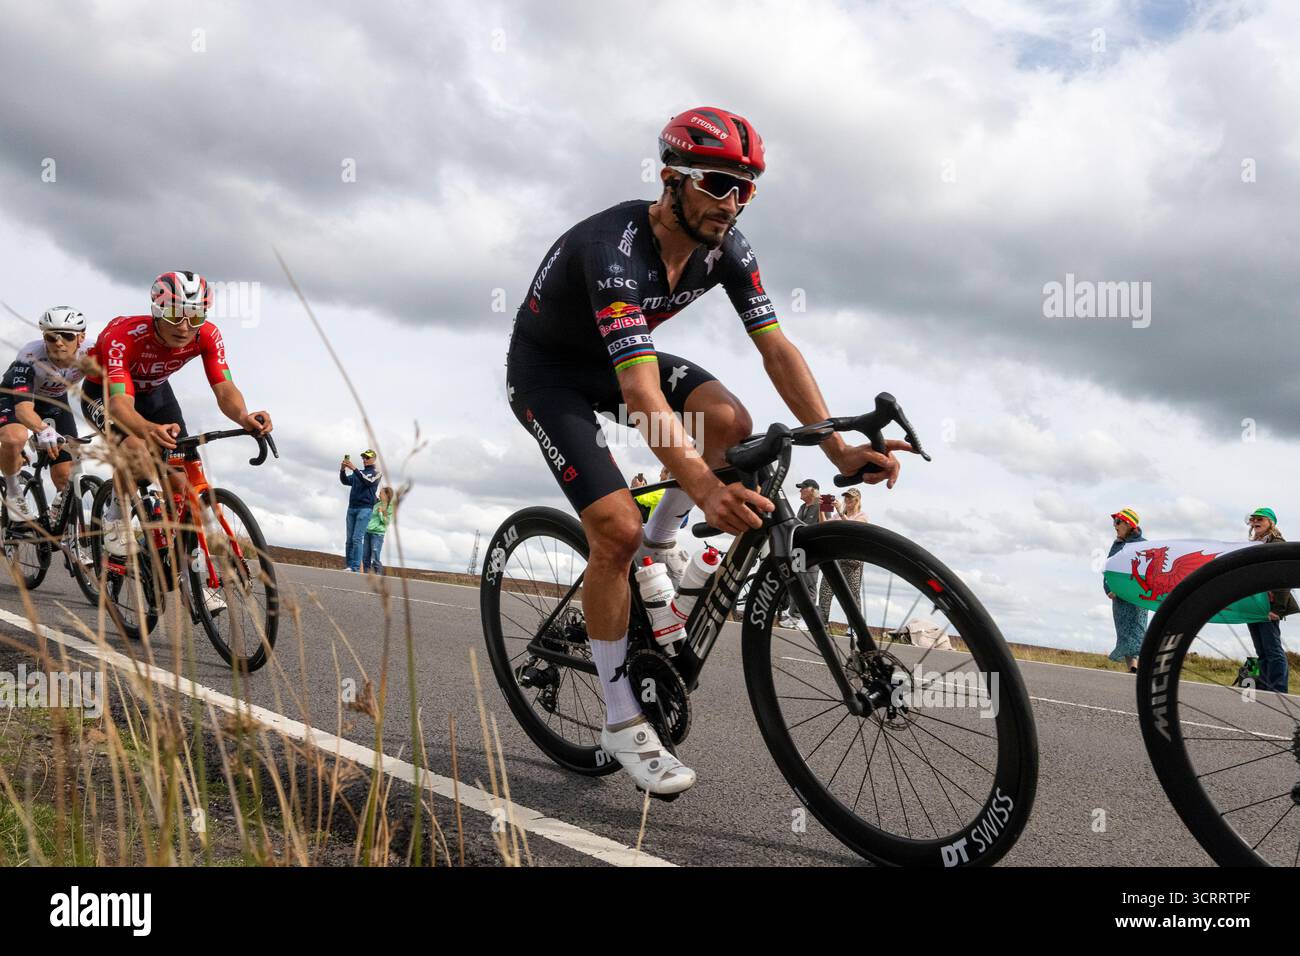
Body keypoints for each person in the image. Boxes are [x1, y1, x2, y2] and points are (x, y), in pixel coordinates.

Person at [506, 106, 913, 797]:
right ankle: (620, 720)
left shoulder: (729, 250)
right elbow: (640, 395)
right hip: (551, 375)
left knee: (729, 420)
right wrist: (701, 487)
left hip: (616, 359)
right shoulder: (616, 251)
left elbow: (776, 349)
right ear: (672, 180)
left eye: (747, 187)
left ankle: (661, 553)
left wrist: (840, 451)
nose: (734, 202)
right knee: (613, 530)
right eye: (720, 184)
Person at [81, 272, 272, 572]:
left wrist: (244, 416)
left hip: (155, 391)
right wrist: (146, 429)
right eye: (175, 314)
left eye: (195, 316)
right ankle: (116, 514)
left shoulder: (207, 334)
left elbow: (224, 388)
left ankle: (184, 570)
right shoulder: (122, 336)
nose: (185, 327)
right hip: (106, 392)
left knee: (181, 484)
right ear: (157, 310)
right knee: (136, 448)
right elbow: (120, 404)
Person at [0, 307, 90, 522]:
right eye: (51, 337)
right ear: (44, 337)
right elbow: (23, 410)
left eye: (67, 336)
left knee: (65, 476)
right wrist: (41, 428)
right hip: (16, 398)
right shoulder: (29, 356)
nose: (59, 342)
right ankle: (14, 493)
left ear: (81, 337)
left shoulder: (93, 351)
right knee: (14, 438)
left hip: (54, 401)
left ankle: (64, 527)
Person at [1244, 507, 1295, 693]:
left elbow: (1283, 577)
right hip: (1254, 604)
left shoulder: (1277, 543)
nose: (1255, 522)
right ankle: (1265, 687)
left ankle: (1279, 689)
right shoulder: (1252, 545)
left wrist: (1279, 609)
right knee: (1261, 651)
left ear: (1270, 523)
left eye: (1260, 519)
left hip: (1270, 605)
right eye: (1253, 519)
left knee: (1273, 649)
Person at [816, 488, 868, 627]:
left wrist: (840, 512)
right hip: (835, 557)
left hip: (852, 560)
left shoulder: (861, 516)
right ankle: (822, 622)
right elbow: (823, 525)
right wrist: (820, 509)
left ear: (857, 500)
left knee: (852, 595)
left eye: (851, 498)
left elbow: (852, 529)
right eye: (846, 497)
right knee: (825, 592)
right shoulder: (838, 517)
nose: (847, 500)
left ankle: (855, 626)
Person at [1104, 508, 1147, 673]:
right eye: (1114, 522)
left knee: (1137, 629)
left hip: (1137, 597)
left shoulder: (1144, 545)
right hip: (1119, 599)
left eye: (1117, 522)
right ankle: (1133, 669)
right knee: (1123, 632)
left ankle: (1139, 667)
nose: (1114, 525)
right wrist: (1108, 589)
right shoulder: (1117, 545)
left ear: (1129, 524)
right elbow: (1108, 569)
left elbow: (1146, 571)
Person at [778, 478, 822, 632]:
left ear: (813, 490)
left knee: (809, 585)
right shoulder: (803, 507)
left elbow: (825, 525)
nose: (800, 491)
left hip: (812, 551)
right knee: (796, 584)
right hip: (798, 552)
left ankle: (805, 619)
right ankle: (794, 616)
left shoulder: (820, 506)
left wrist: (823, 507)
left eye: (803, 488)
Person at [340, 449, 381, 571]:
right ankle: (349, 566)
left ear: (373, 459)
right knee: (349, 540)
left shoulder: (376, 473)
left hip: (365, 509)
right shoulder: (359, 473)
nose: (364, 459)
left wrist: (354, 469)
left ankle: (355, 567)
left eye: (367, 458)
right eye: (363, 457)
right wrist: (342, 469)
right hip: (352, 508)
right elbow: (345, 481)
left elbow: (368, 482)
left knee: (357, 538)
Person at [363, 486, 395, 575]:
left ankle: (378, 573)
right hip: (368, 532)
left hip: (377, 534)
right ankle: (366, 574)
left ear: (386, 495)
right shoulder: (377, 504)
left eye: (381, 493)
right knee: (365, 555)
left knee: (375, 555)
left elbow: (386, 521)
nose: (379, 494)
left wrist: (381, 512)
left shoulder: (389, 507)